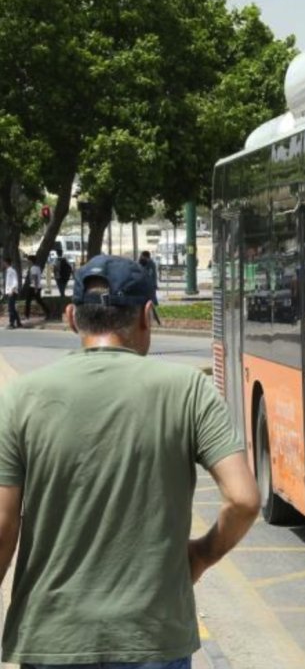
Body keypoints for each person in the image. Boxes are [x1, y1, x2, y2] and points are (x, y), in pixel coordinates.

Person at [0, 254, 260, 667]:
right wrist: (200, 557)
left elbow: (3, 524)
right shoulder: (188, 390)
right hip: (153, 636)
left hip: (53, 637)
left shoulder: (20, 397)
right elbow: (244, 500)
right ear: (146, 314)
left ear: (71, 317)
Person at [3, 258, 19, 329]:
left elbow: (15, 282)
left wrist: (12, 290)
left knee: (10, 309)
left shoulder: (11, 271)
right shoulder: (8, 271)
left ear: (6, 263)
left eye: (3, 263)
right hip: (10, 291)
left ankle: (11, 324)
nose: (2, 264)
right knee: (12, 308)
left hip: (12, 292)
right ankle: (18, 322)